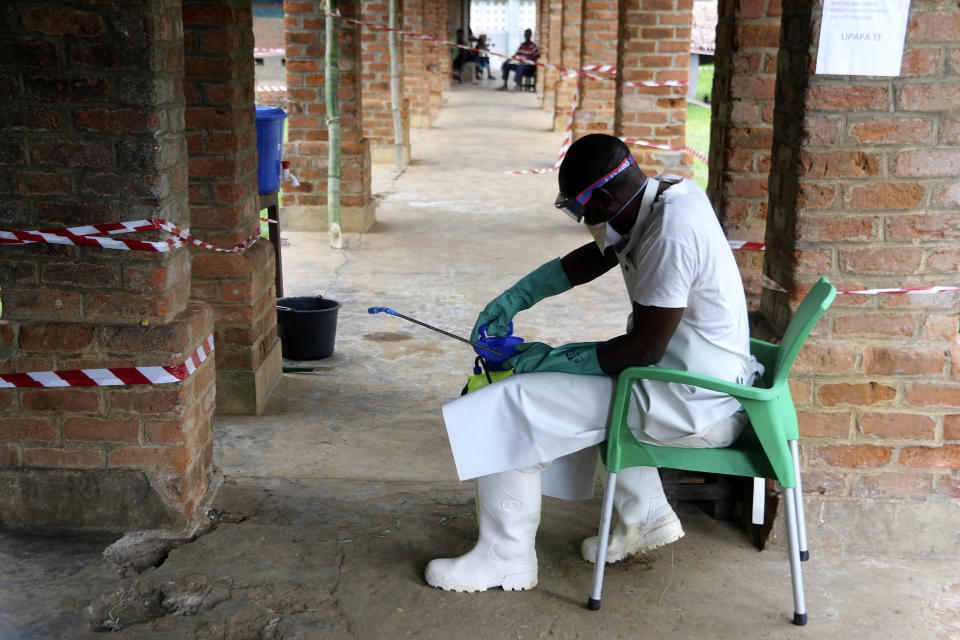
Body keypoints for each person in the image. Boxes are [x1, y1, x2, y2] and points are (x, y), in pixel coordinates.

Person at [425, 134, 763, 593]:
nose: (583, 222)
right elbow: (598, 256)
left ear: (606, 197)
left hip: (691, 404)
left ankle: (505, 558)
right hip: (699, 382)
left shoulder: (671, 234)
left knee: (508, 401)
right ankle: (645, 516)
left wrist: (547, 359)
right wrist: (516, 298)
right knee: (564, 380)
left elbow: (643, 351)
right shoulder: (663, 195)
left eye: (582, 211)